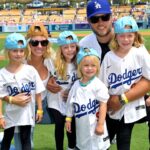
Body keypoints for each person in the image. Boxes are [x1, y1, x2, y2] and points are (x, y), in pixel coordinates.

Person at [79, 0, 150, 113]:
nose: (100, 22)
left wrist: (123, 99)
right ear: (88, 21)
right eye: (94, 19)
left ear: (112, 17)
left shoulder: (130, 41)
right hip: (97, 105)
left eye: (105, 17)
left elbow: (148, 78)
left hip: (133, 104)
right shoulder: (83, 45)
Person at [99, 16, 150, 150]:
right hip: (111, 108)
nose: (126, 39)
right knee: (103, 143)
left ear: (135, 36)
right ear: (116, 37)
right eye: (122, 36)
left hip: (131, 108)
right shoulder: (109, 57)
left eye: (130, 35)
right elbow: (102, 84)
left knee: (124, 142)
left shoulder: (140, 53)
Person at [0, 33, 45, 150]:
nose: (18, 54)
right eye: (14, 51)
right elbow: (0, 96)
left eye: (21, 51)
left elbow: (38, 91)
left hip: (27, 111)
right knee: (7, 137)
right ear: (7, 52)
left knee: (26, 138)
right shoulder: (2, 73)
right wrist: (0, 116)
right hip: (10, 113)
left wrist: (39, 109)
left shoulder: (30, 70)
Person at [13, 24, 55, 150]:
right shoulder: (20, 64)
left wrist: (55, 82)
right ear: (28, 44)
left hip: (46, 106)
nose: (40, 46)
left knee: (71, 114)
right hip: (25, 105)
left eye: (44, 42)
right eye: (35, 42)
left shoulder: (51, 62)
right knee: (23, 142)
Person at [65, 47, 110, 150]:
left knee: (99, 146)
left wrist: (100, 124)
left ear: (97, 67)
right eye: (86, 65)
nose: (89, 68)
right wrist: (68, 119)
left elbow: (103, 105)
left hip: (96, 125)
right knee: (83, 145)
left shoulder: (99, 85)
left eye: (93, 65)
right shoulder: (76, 85)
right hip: (82, 126)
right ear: (80, 67)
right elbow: (70, 104)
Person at [47, 31, 79, 150]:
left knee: (71, 126)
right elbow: (45, 75)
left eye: (72, 46)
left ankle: (71, 147)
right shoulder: (53, 62)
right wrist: (49, 81)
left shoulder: (80, 63)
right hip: (55, 99)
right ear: (60, 48)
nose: (70, 50)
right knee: (59, 124)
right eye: (65, 47)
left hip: (72, 100)